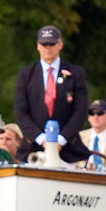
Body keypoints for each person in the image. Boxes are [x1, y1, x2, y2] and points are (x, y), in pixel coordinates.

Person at [14, 25, 90, 163]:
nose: (47, 47)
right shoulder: (26, 74)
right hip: (33, 149)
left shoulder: (76, 73)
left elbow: (80, 110)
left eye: (51, 44)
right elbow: (21, 111)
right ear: (38, 46)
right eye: (44, 44)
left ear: (60, 45)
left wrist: (60, 141)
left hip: (68, 151)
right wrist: (42, 140)